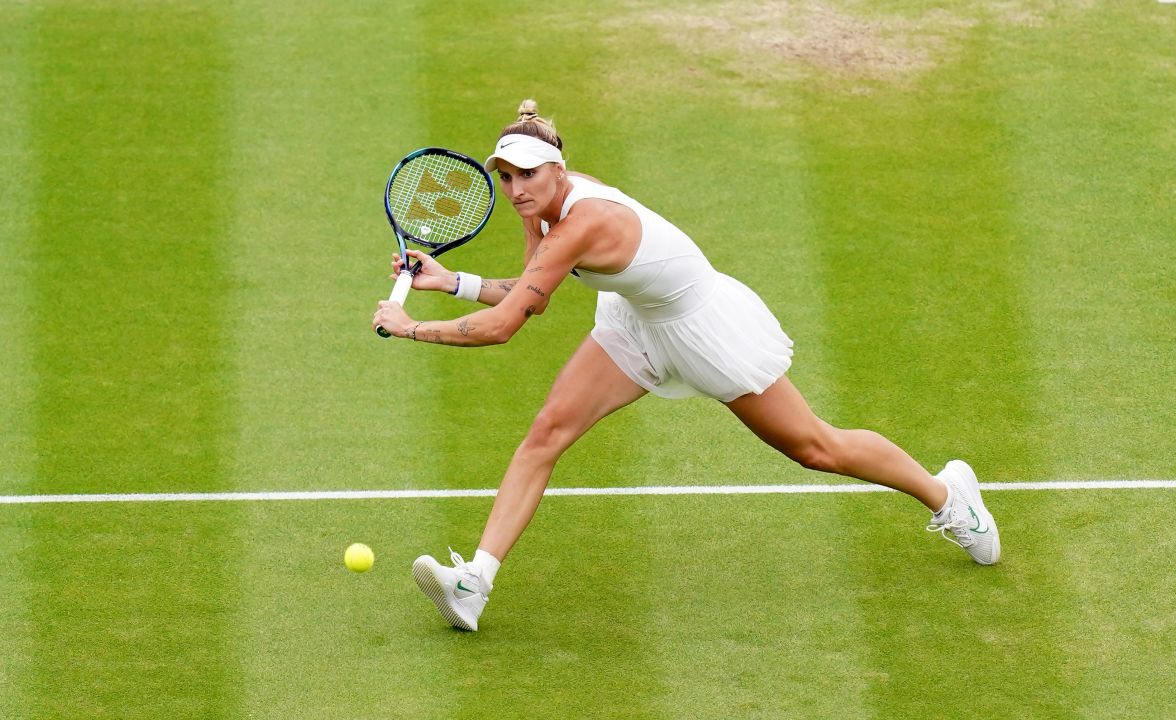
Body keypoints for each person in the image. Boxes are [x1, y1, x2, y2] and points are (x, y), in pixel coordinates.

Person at [371, 99, 1000, 632]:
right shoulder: (544, 212)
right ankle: (473, 583)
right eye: (506, 178)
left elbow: (507, 326)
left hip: (703, 327)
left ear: (558, 169)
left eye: (528, 176)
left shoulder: (582, 223)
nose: (516, 191)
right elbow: (529, 297)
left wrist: (411, 327)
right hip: (635, 322)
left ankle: (951, 497)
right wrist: (453, 281)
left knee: (816, 448)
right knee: (547, 432)